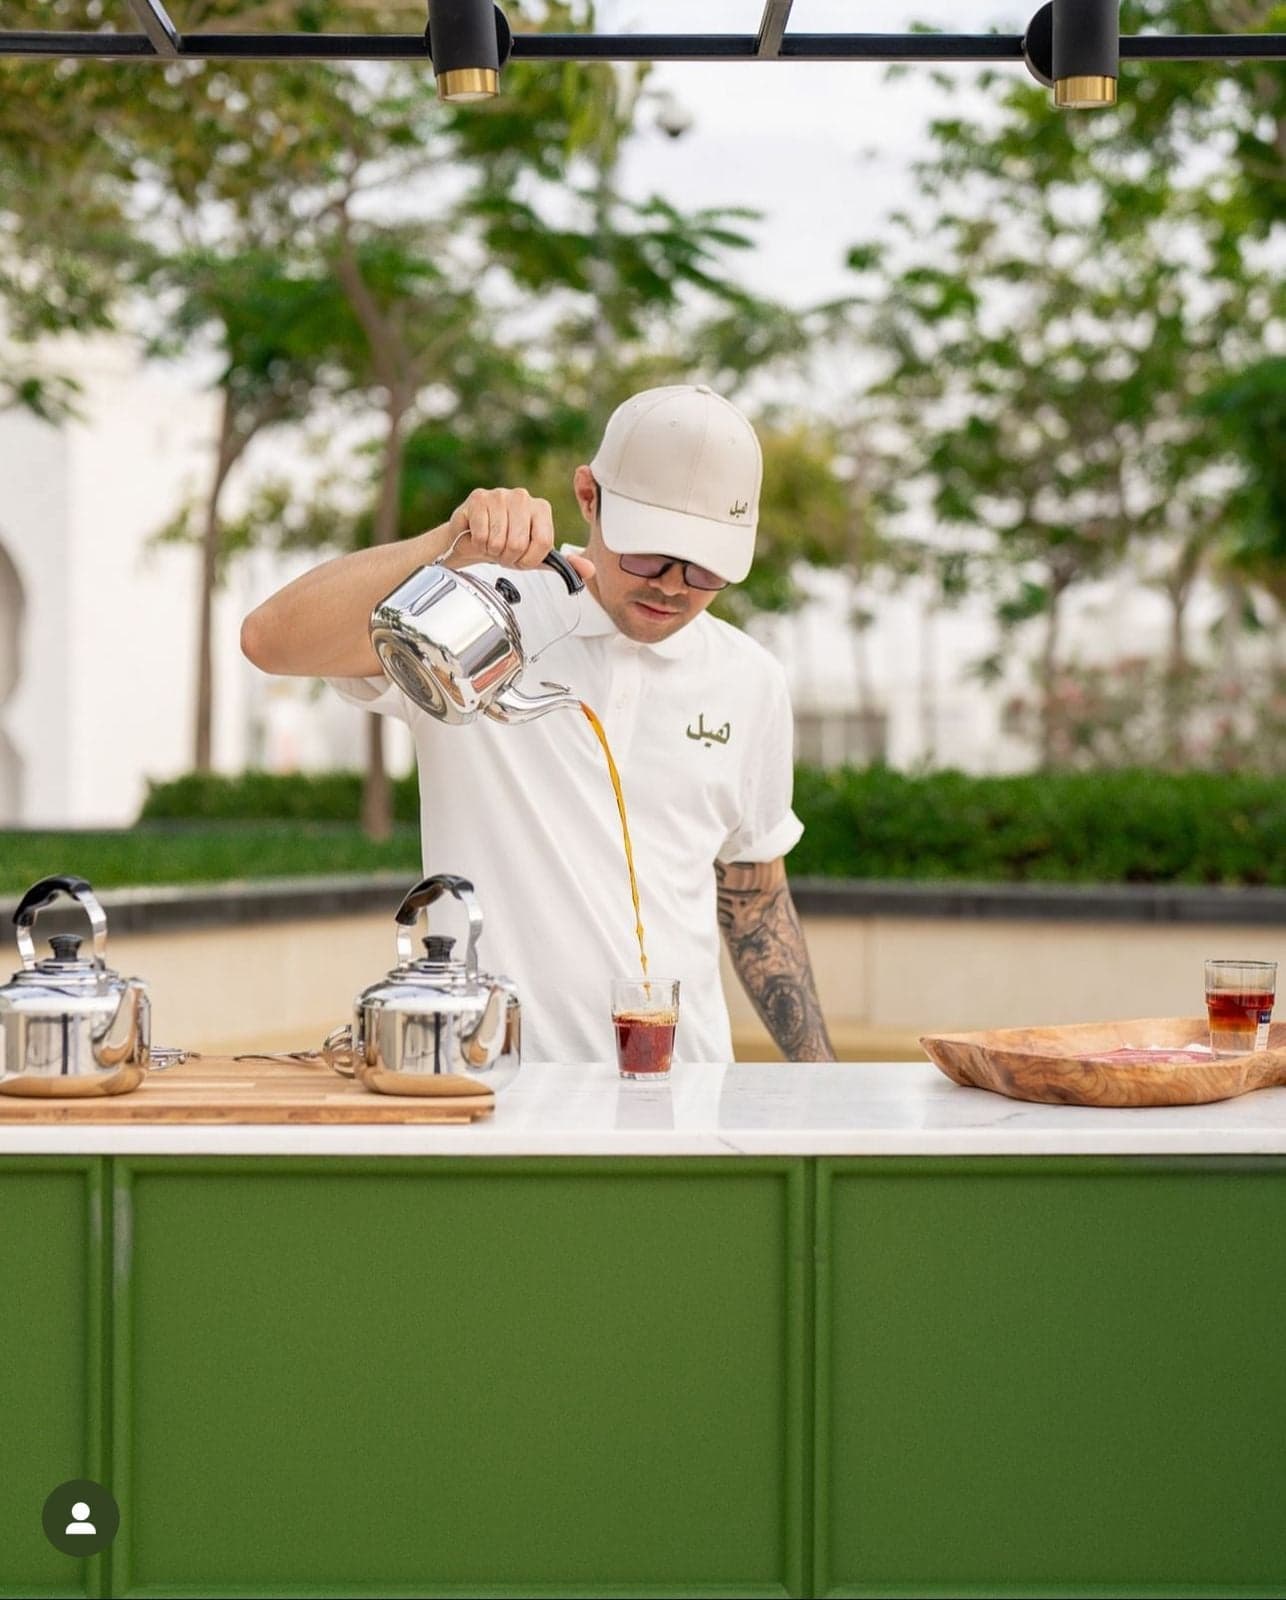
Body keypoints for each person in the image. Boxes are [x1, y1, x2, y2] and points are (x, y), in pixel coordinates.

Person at [240, 384, 835, 1064]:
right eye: (649, 553)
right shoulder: (479, 616)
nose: (672, 584)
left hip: (687, 1092)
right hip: (501, 1088)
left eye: (704, 567)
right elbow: (269, 640)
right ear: (589, 497)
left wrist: (823, 1079)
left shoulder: (748, 679)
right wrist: (446, 546)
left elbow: (755, 903)